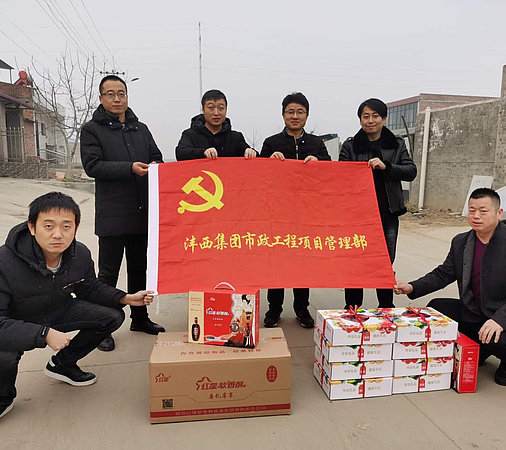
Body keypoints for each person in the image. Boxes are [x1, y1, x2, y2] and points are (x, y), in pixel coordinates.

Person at [0, 192, 154, 438]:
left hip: (59, 309)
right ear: (32, 227)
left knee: (112, 316)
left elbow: (89, 287)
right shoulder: (1, 262)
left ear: (76, 228)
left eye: (66, 226)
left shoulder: (79, 253)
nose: (57, 234)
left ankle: (62, 364)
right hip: (17, 320)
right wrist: (43, 334)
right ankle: (2, 398)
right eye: (48, 226)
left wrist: (125, 298)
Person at [394, 188, 506, 386]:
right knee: (436, 308)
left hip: (503, 315)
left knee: (499, 339)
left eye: (483, 211)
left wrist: (500, 320)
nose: (476, 216)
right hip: (474, 310)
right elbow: (443, 274)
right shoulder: (461, 242)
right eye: (472, 210)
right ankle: (479, 347)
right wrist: (413, 287)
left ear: (499, 213)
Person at [80, 75, 165, 352]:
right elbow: (93, 166)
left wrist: (156, 165)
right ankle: (102, 327)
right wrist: (130, 168)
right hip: (113, 216)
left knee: (139, 271)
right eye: (111, 94)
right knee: (108, 275)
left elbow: (156, 156)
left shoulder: (141, 129)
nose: (117, 99)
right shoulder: (92, 130)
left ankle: (140, 318)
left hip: (141, 214)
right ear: (101, 98)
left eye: (122, 93)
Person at [260, 92, 331, 329]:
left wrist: (319, 163)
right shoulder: (271, 143)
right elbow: (258, 173)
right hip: (277, 213)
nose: (295, 116)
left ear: (307, 116)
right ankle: (274, 308)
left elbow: (332, 171)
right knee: (277, 261)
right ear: (283, 115)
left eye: (300, 112)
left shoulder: (316, 144)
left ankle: (302, 308)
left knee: (302, 263)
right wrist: (269, 160)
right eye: (290, 111)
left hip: (306, 214)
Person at [340, 98, 417, 309]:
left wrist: (387, 167)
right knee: (355, 261)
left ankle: (385, 306)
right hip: (357, 217)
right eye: (366, 116)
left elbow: (411, 171)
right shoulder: (350, 146)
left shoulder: (397, 144)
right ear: (360, 120)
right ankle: (352, 307)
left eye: (375, 116)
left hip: (387, 213)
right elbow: (340, 176)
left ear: (384, 119)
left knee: (384, 262)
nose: (370, 120)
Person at [175, 89, 257, 160]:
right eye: (211, 108)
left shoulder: (236, 137)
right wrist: (203, 152)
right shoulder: (190, 135)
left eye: (221, 108)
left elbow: (253, 156)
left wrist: (250, 152)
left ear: (226, 110)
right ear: (203, 109)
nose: (216, 113)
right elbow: (180, 153)